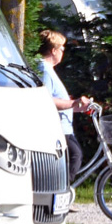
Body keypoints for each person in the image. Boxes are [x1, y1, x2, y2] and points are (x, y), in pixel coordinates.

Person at [38, 30, 94, 179]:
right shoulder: (44, 70)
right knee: (75, 155)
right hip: (58, 127)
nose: (63, 52)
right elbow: (47, 101)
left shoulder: (49, 70)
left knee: (73, 156)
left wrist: (77, 107)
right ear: (53, 50)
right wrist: (73, 102)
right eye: (62, 49)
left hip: (64, 126)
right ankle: (63, 190)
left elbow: (59, 101)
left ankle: (61, 189)